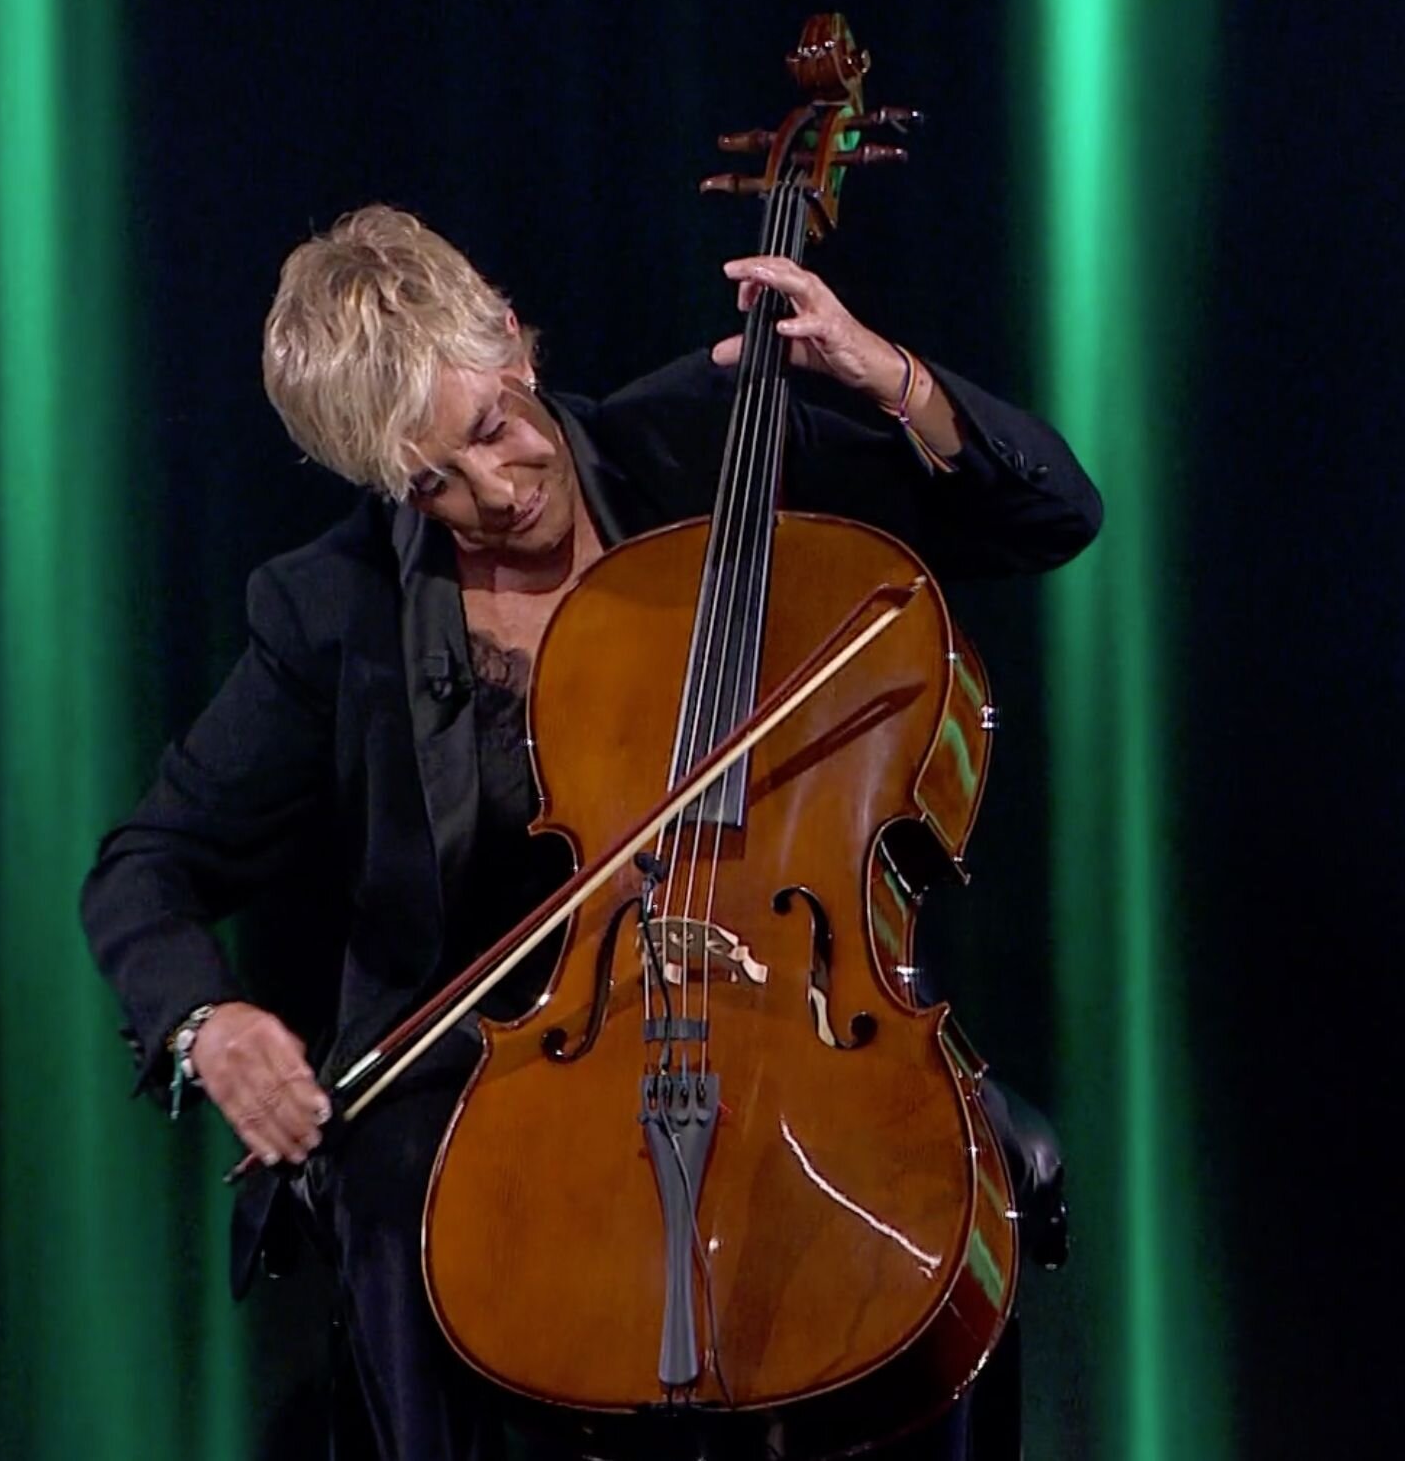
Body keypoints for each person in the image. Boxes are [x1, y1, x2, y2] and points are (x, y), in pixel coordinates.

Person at [82, 205, 1101, 1460]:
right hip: (497, 1062)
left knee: (939, 1185)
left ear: (511, 339)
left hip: (792, 999)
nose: (490, 491)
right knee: (400, 1192)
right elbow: (150, 865)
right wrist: (207, 1021)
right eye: (426, 482)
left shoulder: (704, 438)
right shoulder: (329, 605)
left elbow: (1048, 516)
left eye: (491, 430)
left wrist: (888, 378)